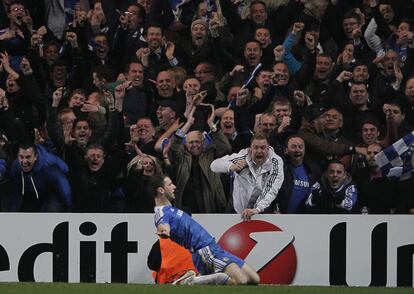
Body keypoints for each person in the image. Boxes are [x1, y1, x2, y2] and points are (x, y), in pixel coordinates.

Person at [151, 174, 260, 285]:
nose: (174, 186)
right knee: (241, 281)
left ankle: (199, 281)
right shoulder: (161, 212)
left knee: (254, 279)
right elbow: (162, 225)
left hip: (215, 248)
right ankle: (192, 282)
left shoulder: (171, 209)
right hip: (204, 249)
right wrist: (164, 231)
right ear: (161, 190)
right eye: (170, 184)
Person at [210, 133, 284, 219]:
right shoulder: (242, 156)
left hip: (261, 209)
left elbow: (272, 189)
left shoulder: (276, 162)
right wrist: (230, 166)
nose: (259, 151)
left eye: (263, 147)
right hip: (236, 207)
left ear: (268, 148)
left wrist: (257, 209)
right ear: (250, 148)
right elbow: (214, 165)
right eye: (256, 147)